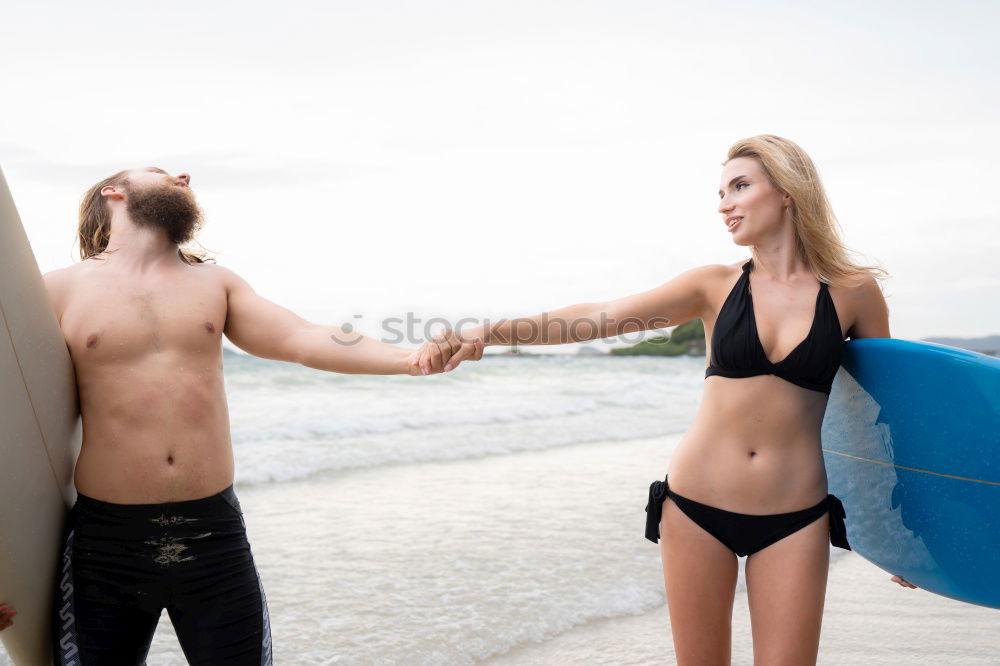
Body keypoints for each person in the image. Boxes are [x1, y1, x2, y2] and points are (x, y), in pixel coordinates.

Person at [428, 134, 916, 665]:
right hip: (696, 506)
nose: (723, 204)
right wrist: (489, 332)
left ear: (787, 193)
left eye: (740, 186)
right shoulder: (712, 285)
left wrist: (902, 530)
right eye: (721, 191)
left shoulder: (853, 291)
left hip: (796, 514)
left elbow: (882, 414)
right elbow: (601, 317)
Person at [40, 166, 484, 666]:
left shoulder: (216, 284)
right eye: (162, 171)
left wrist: (407, 361)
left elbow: (301, 338)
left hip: (214, 536)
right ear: (113, 191)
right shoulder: (56, 291)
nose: (183, 175)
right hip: (106, 545)